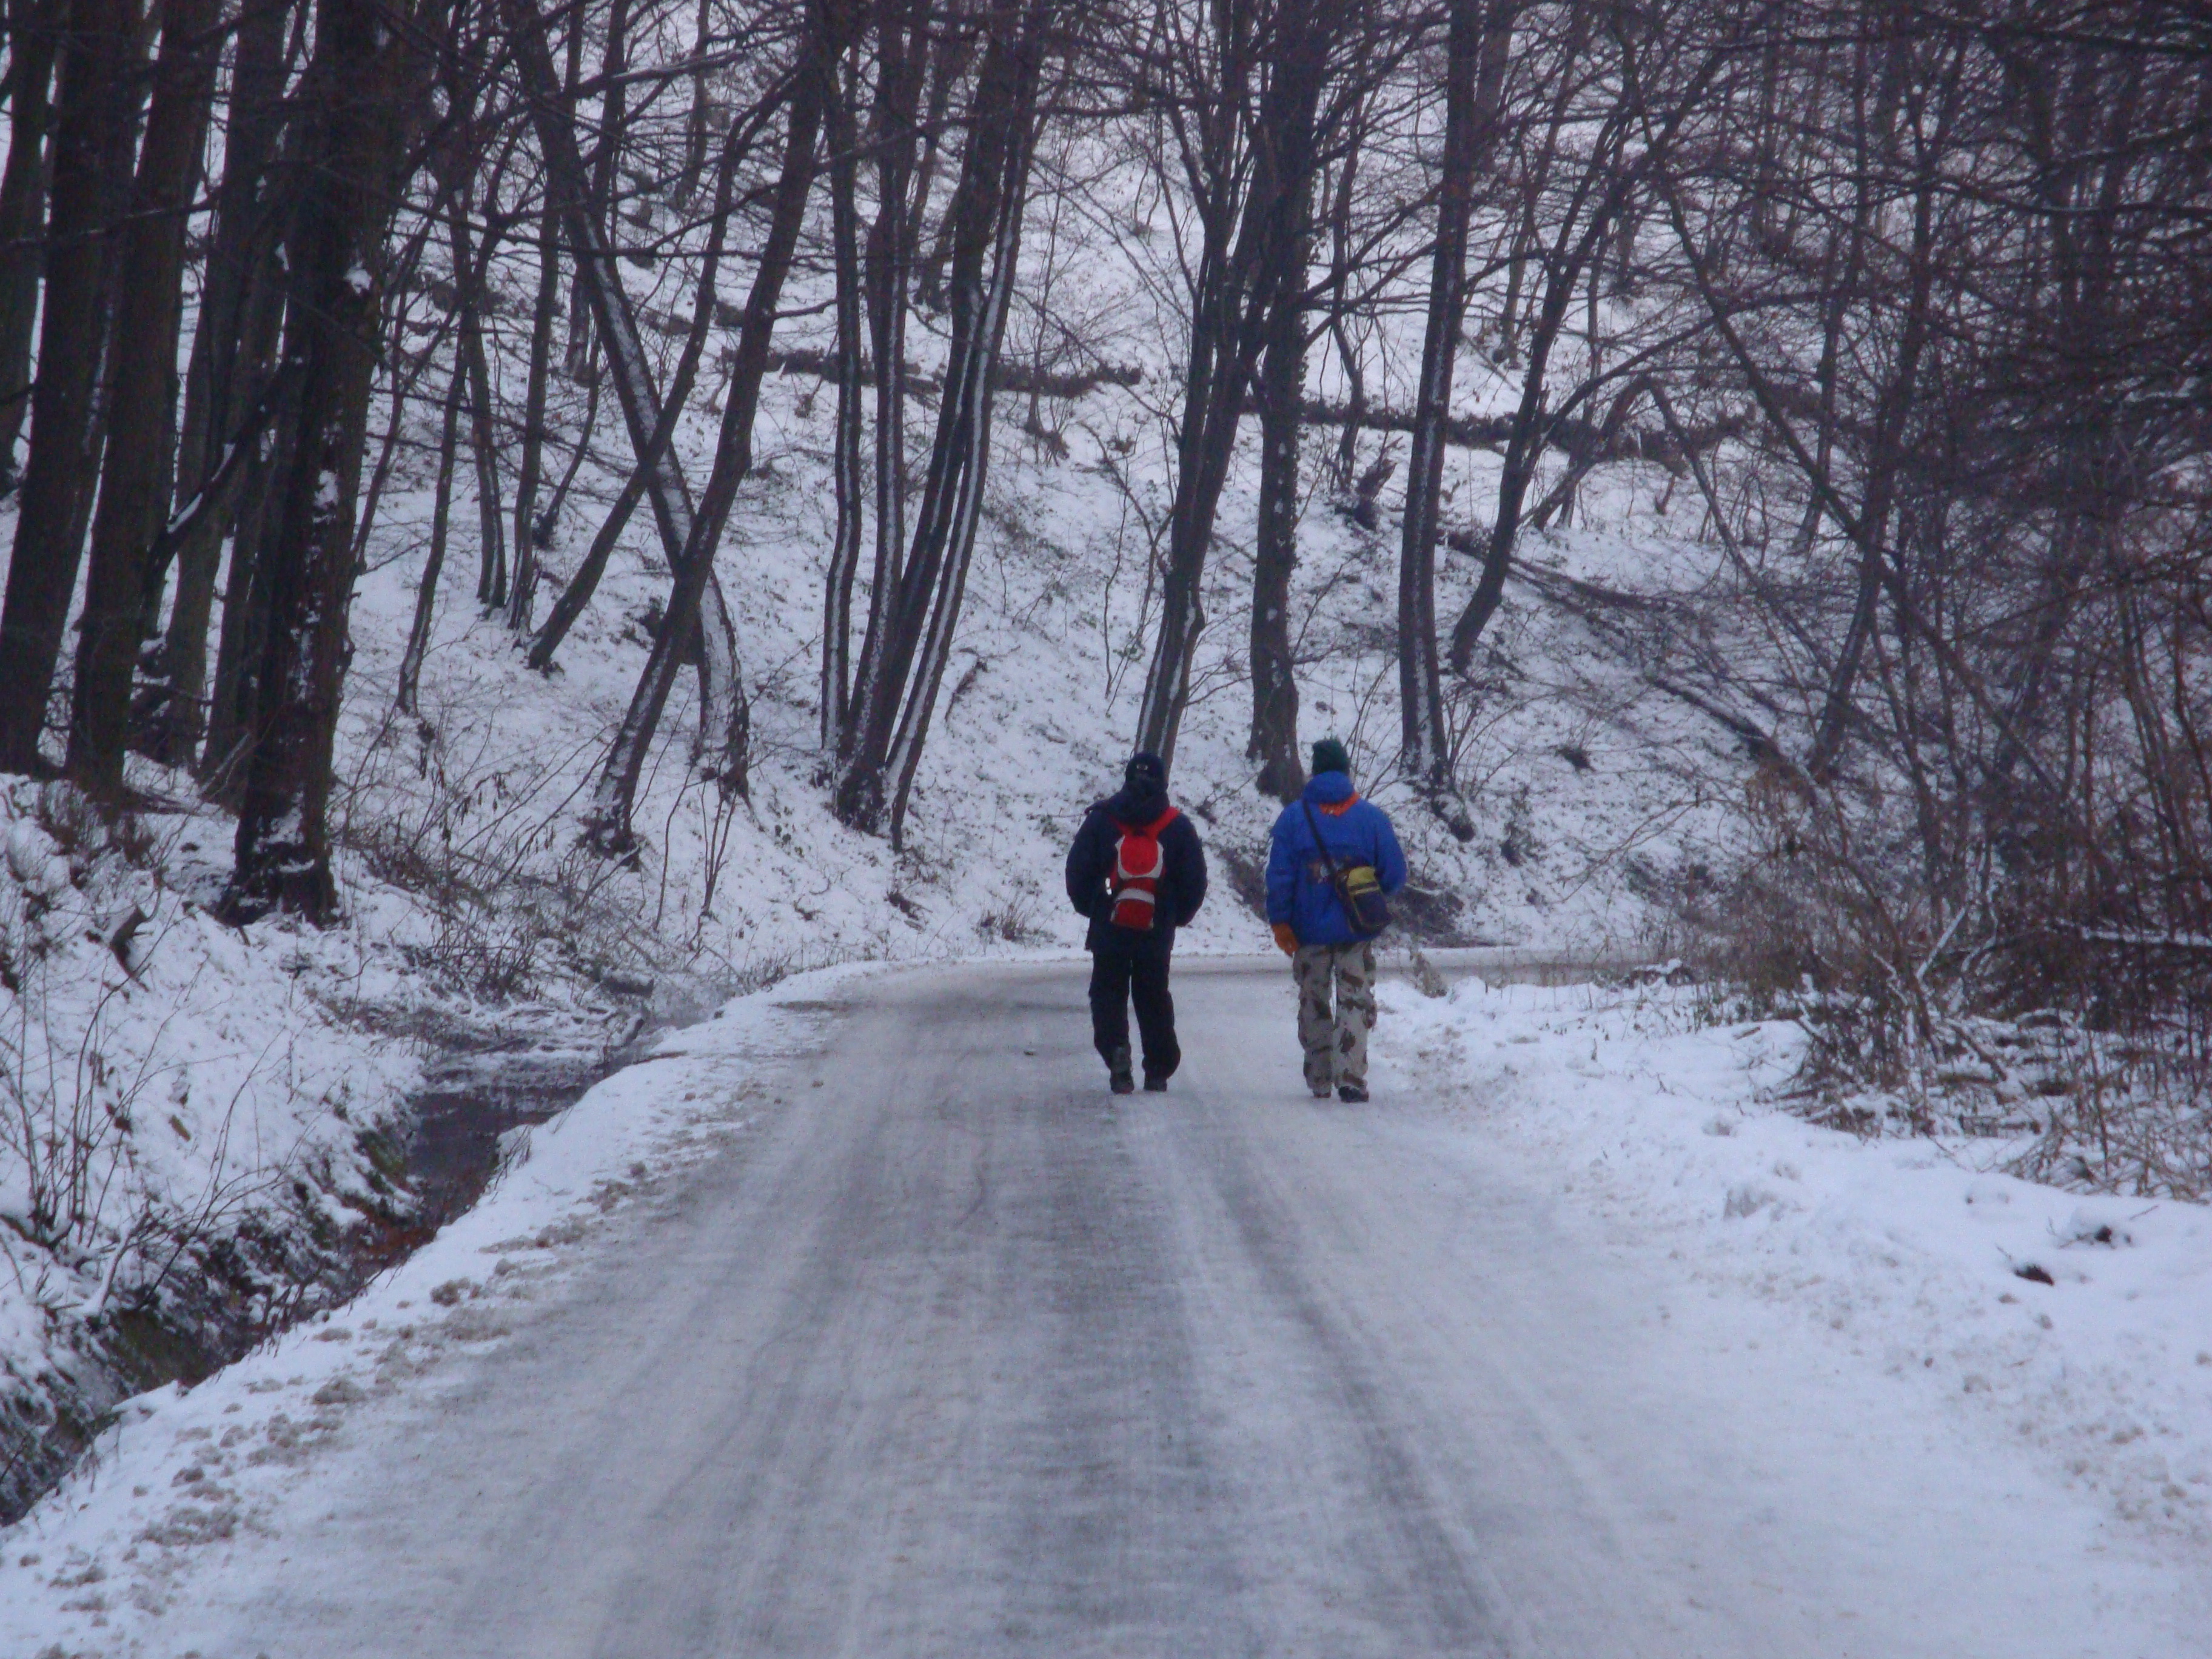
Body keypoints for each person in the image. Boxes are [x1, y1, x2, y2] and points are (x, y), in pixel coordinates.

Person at [1265, 737, 1407, 1102]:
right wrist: (1370, 894)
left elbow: (1279, 877)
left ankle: (1319, 1078)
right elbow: (1394, 875)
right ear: (1346, 770)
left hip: (1307, 931)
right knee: (1354, 1000)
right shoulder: (1371, 818)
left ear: (1314, 772)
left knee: (1313, 999)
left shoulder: (1293, 818)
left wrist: (1280, 921)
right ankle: (1351, 1079)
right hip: (1356, 930)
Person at [1065, 751, 1208, 1093]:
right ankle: (1158, 1068)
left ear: (1127, 778)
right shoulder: (1177, 826)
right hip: (1155, 929)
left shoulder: (1102, 820)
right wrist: (1174, 916)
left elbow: (1078, 872)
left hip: (1109, 925)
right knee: (1153, 995)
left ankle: (1117, 1054)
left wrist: (1094, 907)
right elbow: (1195, 882)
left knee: (1108, 992)